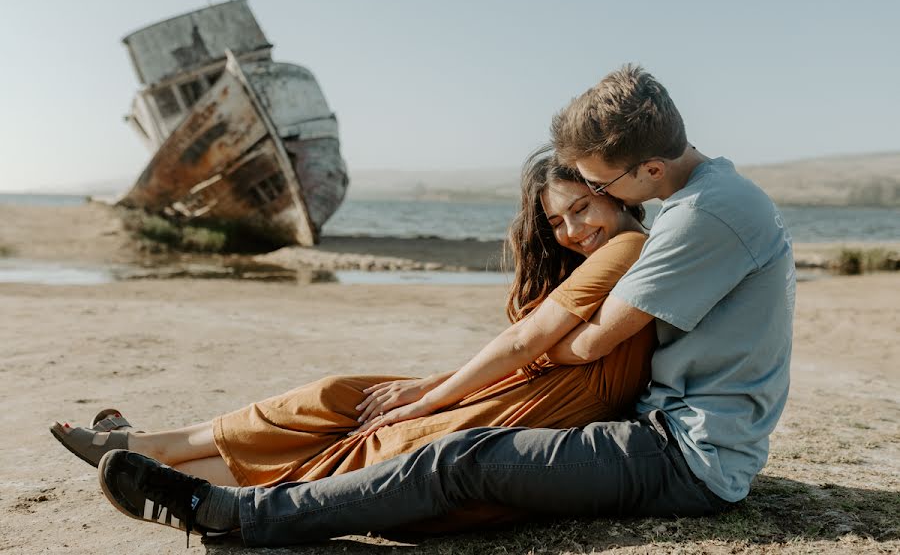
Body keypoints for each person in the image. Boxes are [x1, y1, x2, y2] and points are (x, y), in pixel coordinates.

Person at [96, 63, 795, 548]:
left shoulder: (706, 213)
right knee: (388, 421)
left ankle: (238, 515)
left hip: (685, 456)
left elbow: (590, 344)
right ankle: (181, 465)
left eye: (594, 184)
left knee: (458, 459)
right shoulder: (700, 200)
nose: (593, 200)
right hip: (662, 430)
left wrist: (501, 365)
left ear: (647, 169)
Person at [54, 152, 655, 496]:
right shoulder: (616, 252)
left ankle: (161, 473)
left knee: (375, 441)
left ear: (617, 193)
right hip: (535, 387)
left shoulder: (626, 245)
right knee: (343, 397)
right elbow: (548, 346)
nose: (573, 231)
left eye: (583, 208)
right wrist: (428, 388)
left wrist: (423, 398)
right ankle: (153, 452)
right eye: (557, 221)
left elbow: (529, 342)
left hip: (552, 403)